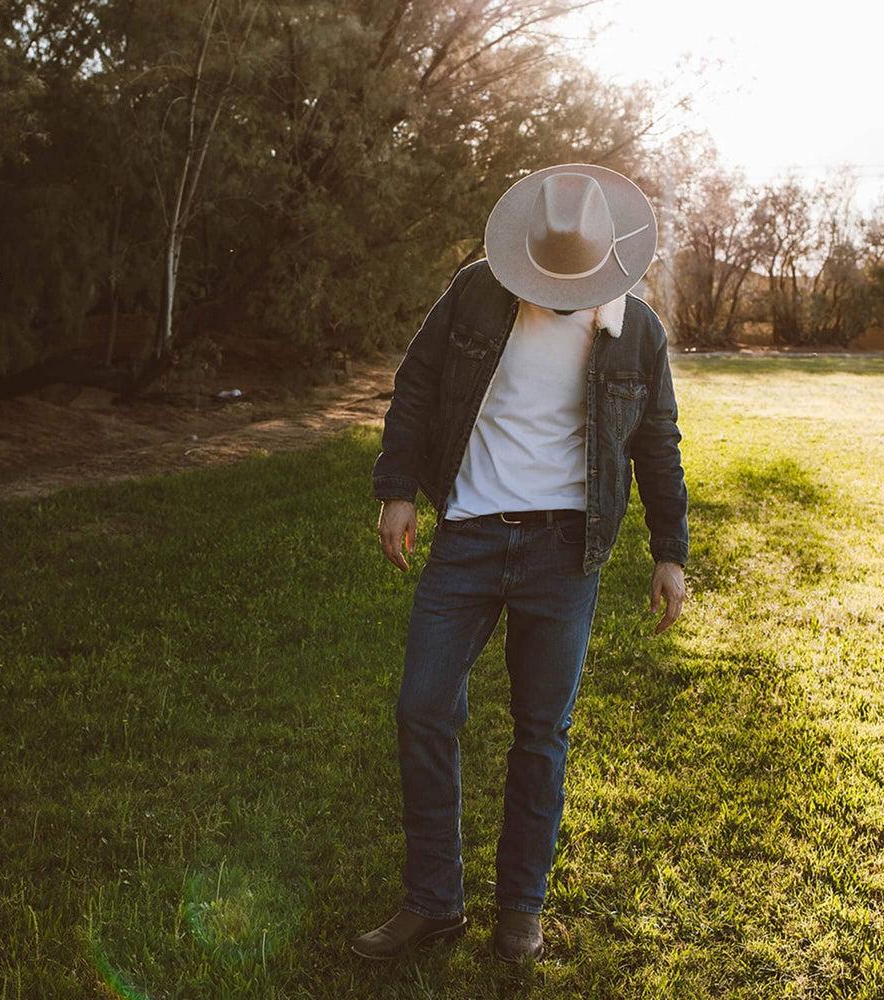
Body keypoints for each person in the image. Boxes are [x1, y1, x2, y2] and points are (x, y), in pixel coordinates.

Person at [352, 164, 689, 963]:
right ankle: (434, 903)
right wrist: (397, 488)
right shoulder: (476, 293)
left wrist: (670, 552)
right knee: (423, 709)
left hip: (565, 553)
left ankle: (519, 913)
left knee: (542, 733)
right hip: (467, 535)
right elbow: (417, 385)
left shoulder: (636, 329)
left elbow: (658, 443)